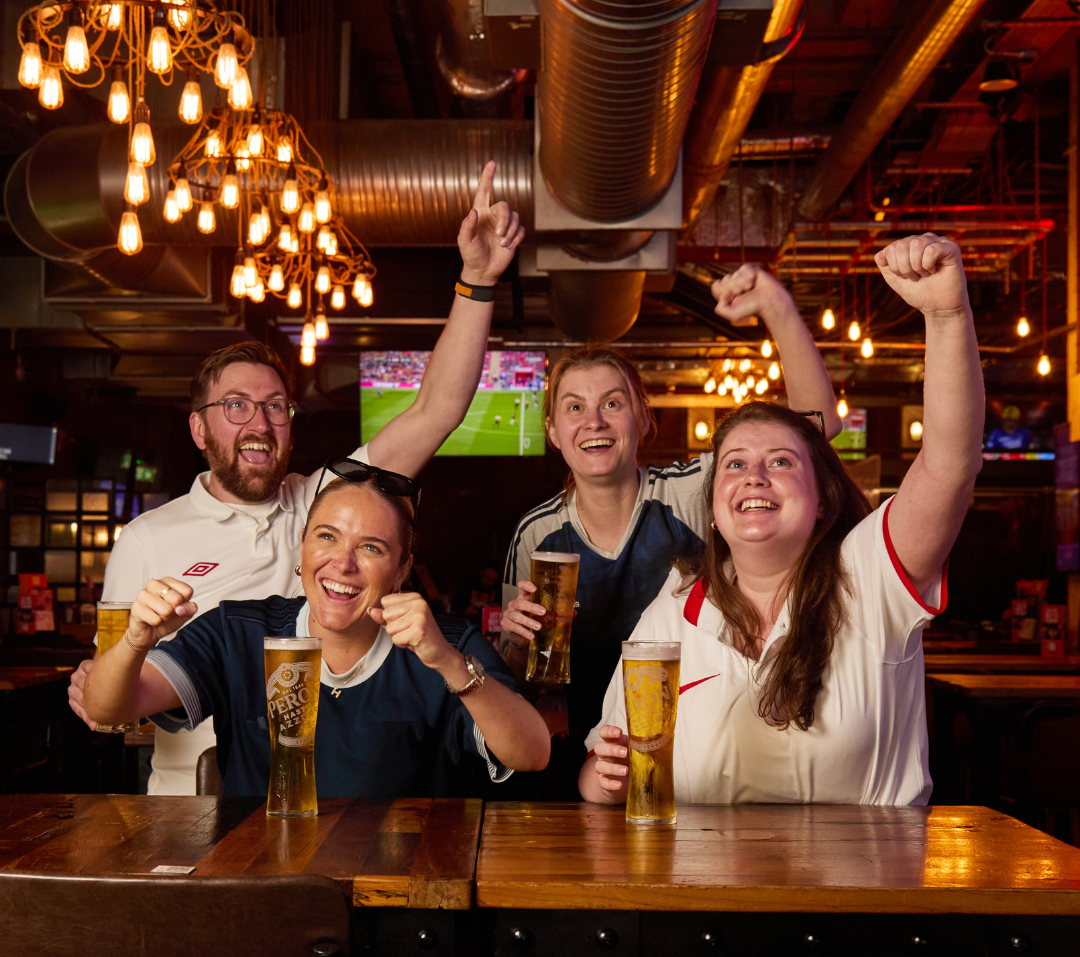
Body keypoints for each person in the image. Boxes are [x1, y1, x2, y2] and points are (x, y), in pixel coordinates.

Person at [69, 160, 526, 794]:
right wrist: (123, 680)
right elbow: (107, 706)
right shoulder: (145, 540)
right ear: (199, 429)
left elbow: (437, 410)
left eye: (275, 406)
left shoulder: (330, 504)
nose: (258, 422)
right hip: (196, 803)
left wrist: (476, 280)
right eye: (235, 406)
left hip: (332, 784)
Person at [581, 233, 983, 807]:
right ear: (715, 509)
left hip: (862, 893)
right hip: (707, 893)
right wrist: (600, 779)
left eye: (781, 462)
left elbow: (949, 464)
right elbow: (605, 777)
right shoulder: (672, 614)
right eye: (736, 464)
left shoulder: (868, 577)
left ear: (821, 500)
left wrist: (946, 315)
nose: (754, 477)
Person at [500, 265, 842, 798]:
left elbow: (813, 433)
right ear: (553, 433)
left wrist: (779, 310)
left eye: (612, 403)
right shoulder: (536, 533)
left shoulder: (693, 489)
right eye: (574, 408)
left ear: (642, 416)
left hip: (717, 741)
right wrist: (514, 640)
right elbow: (517, 681)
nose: (594, 421)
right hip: (603, 753)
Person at [81, 467, 550, 797]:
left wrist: (447, 662)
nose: (342, 564)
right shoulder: (238, 629)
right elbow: (106, 709)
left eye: (371, 547)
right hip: (267, 889)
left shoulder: (447, 644)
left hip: (402, 896)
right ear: (302, 547)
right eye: (326, 537)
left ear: (403, 568)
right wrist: (137, 640)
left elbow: (533, 753)